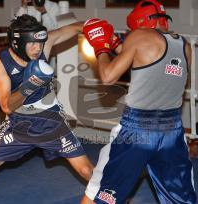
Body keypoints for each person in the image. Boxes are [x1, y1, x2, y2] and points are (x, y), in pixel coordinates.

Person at [0, 14, 93, 204]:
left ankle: (113, 196)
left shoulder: (43, 44)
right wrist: (29, 85)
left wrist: (95, 26)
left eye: (40, 43)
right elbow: (6, 106)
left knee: (87, 171)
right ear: (17, 43)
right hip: (18, 123)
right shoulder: (1, 61)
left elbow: (74, 28)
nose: (38, 48)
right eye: (32, 44)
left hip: (50, 120)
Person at [81, 0, 197, 203]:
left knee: (105, 194)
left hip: (137, 130)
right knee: (181, 198)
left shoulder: (139, 37)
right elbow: (149, 64)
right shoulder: (185, 46)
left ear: (139, 23)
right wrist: (116, 45)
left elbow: (108, 76)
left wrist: (101, 48)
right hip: (172, 132)